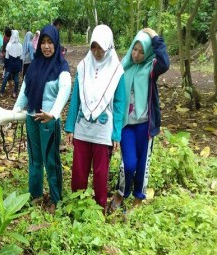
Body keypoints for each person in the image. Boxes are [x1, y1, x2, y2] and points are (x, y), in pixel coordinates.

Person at [64, 25, 127, 211]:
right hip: (83, 128)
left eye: (100, 47)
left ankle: (99, 207)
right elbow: (75, 98)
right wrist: (70, 127)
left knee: (101, 172)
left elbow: (119, 104)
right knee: (79, 170)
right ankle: (77, 204)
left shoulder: (117, 71)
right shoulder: (84, 66)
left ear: (108, 47)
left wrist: (116, 134)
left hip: (103, 130)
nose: (96, 52)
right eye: (93, 47)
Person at [107, 28, 170, 214]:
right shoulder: (122, 67)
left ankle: (137, 201)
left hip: (145, 126)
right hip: (127, 126)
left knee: (142, 166)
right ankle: (120, 193)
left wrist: (154, 36)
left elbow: (165, 62)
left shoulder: (151, 68)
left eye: (142, 51)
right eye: (135, 49)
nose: (137, 54)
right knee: (129, 164)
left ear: (148, 52)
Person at [13, 25, 71, 214]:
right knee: (34, 160)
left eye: (50, 42)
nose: (46, 47)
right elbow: (25, 89)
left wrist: (53, 113)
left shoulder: (61, 66)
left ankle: (55, 199)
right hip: (32, 118)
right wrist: (15, 111)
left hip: (48, 121)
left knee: (51, 161)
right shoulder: (34, 65)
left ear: (56, 44)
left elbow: (65, 90)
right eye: (43, 43)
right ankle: (35, 195)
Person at [0, 30, 22, 98]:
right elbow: (20, 58)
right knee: (16, 79)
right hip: (16, 64)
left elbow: (7, 57)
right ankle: (15, 92)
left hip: (10, 64)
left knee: (6, 78)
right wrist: (20, 66)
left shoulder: (9, 44)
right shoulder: (20, 45)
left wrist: (5, 65)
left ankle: (2, 92)